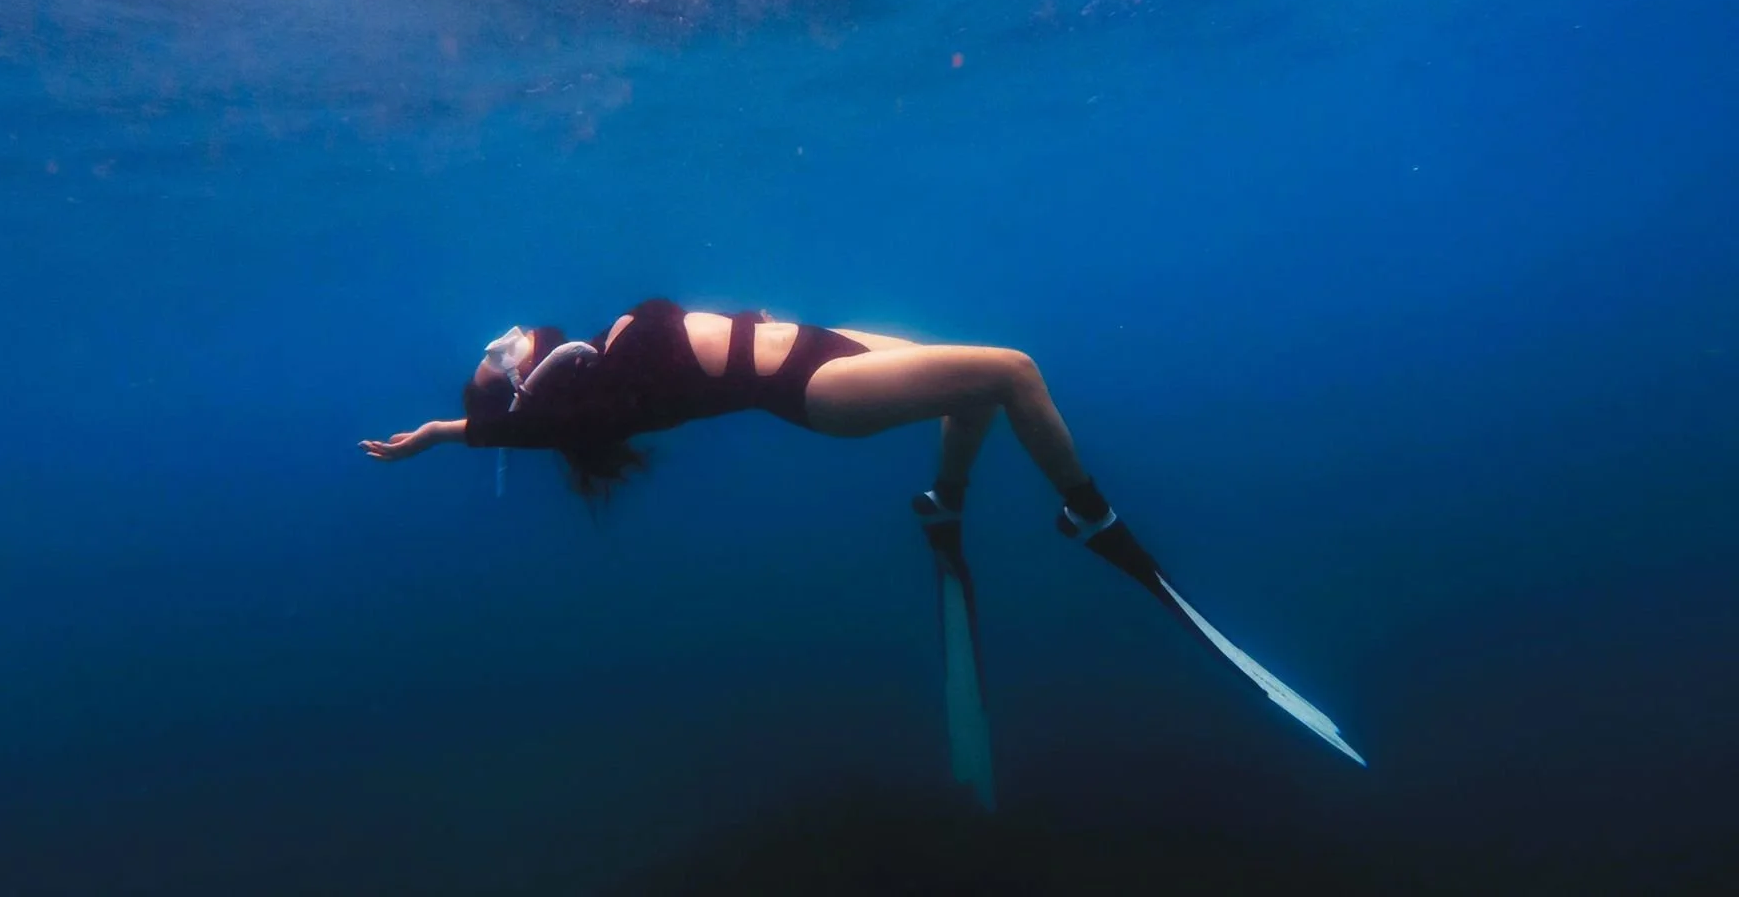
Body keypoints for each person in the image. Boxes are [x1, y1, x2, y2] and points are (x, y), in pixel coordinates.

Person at [360, 297, 1365, 805]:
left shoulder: (599, 353)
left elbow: (508, 422)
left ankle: (945, 504)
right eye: (499, 362)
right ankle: (1091, 518)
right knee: (1012, 372)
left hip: (815, 340)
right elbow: (524, 428)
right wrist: (459, 432)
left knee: (971, 374)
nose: (502, 342)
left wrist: (437, 434)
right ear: (531, 385)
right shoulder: (596, 390)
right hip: (809, 392)